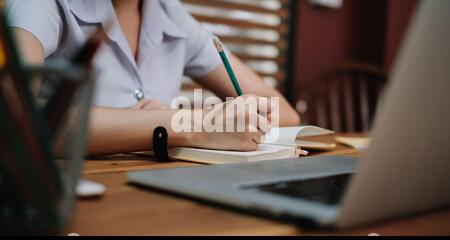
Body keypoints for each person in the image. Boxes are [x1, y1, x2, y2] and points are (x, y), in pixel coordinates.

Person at [6, 0, 300, 155]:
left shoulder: (171, 15)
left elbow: (283, 113)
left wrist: (173, 118)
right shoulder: (39, 4)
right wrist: (190, 125)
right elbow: (18, 120)